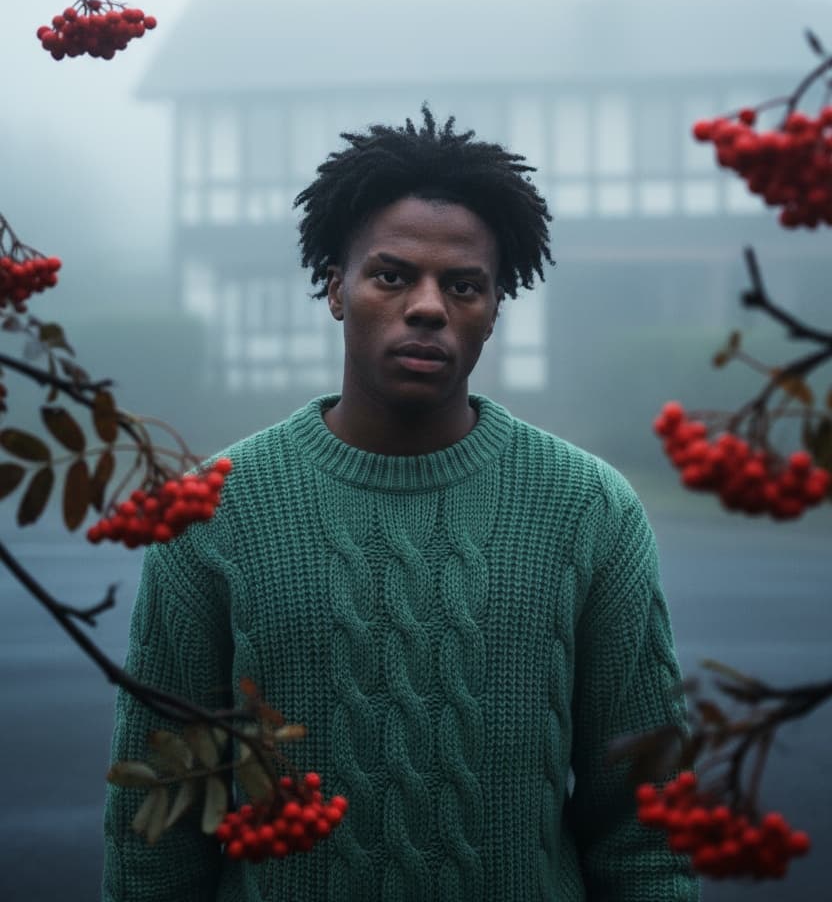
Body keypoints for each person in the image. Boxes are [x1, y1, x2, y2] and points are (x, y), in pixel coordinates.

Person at [102, 105, 699, 901]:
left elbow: (645, 830)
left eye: (463, 285)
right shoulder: (213, 511)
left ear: (494, 308)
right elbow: (154, 825)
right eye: (392, 275)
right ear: (334, 288)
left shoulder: (591, 511)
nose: (427, 306)